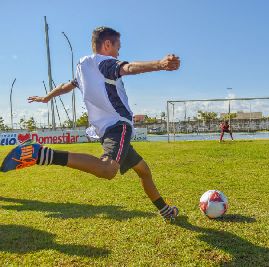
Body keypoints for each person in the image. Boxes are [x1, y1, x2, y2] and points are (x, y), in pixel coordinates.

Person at [1, 27, 180, 222]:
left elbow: (65, 86)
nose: (118, 53)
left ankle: (165, 211)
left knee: (144, 171)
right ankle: (43, 154)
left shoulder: (83, 66)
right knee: (107, 170)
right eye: (117, 47)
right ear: (107, 44)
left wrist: (46, 97)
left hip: (106, 129)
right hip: (118, 125)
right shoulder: (105, 63)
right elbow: (128, 68)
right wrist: (160, 64)